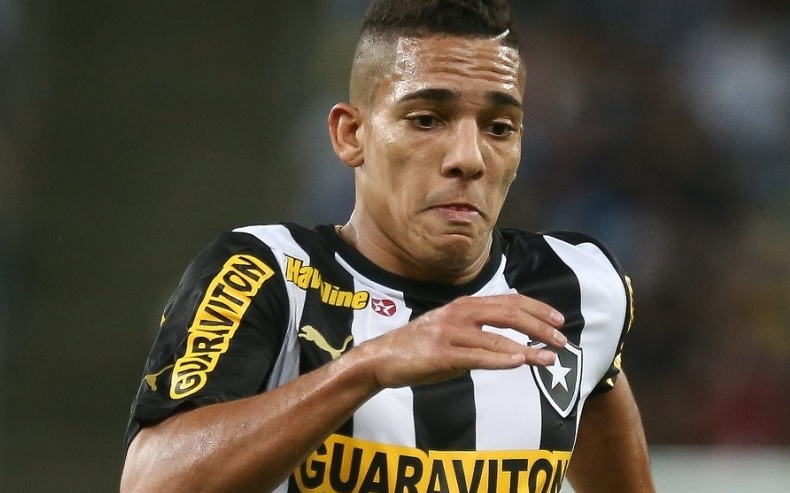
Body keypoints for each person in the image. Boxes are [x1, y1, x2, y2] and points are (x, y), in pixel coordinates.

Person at [121, 1, 655, 491]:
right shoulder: (265, 274)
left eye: (499, 127)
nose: (468, 159)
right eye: (426, 120)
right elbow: (150, 483)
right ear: (351, 134)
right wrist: (370, 365)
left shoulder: (576, 287)